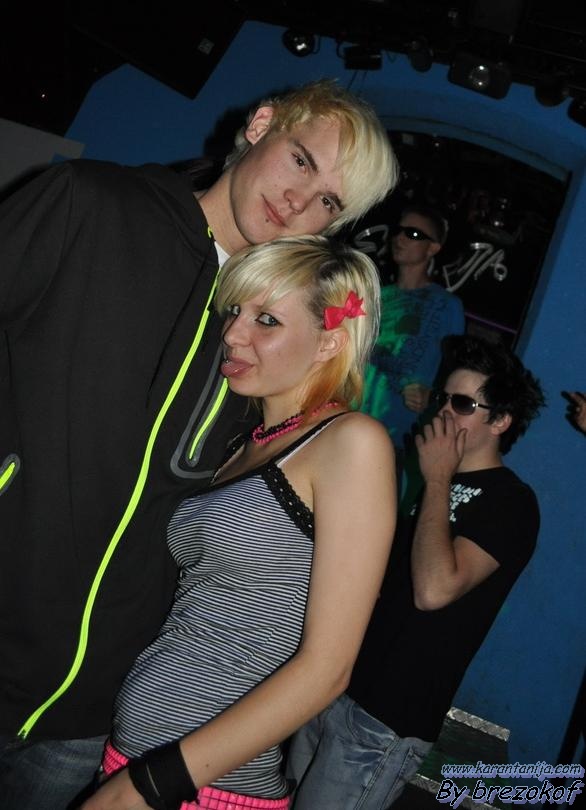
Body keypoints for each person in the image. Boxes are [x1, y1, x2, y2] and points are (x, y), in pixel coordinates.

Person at [0, 79, 398, 809]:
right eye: (302, 160)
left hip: (91, 713)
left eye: (328, 202)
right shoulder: (91, 205)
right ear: (261, 123)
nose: (298, 202)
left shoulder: (263, 349)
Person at [79, 235, 396, 809]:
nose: (231, 334)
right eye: (234, 311)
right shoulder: (241, 444)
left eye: (266, 320)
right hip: (133, 757)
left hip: (199, 786)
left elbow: (327, 669)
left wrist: (151, 785)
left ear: (329, 341)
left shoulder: (351, 443)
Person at [287, 334, 545, 809]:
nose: (444, 411)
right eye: (443, 397)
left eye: (463, 404)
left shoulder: (511, 502)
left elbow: (435, 590)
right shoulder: (432, 486)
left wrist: (438, 478)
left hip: (386, 720)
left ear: (501, 421)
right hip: (337, 688)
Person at [360, 203, 465, 484]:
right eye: (399, 230)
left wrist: (432, 396)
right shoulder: (374, 296)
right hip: (351, 422)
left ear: (433, 248)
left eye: (413, 234)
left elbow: (457, 373)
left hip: (400, 438)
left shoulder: (447, 306)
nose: (400, 238)